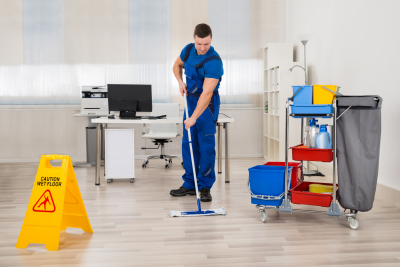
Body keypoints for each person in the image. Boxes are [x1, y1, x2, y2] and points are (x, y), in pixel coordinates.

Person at [170, 23, 223, 202]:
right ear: (194, 39)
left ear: (211, 40)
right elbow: (176, 66)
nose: (202, 48)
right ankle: (190, 184)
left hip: (206, 106)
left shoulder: (214, 61)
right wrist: (180, 82)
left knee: (205, 144)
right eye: (199, 44)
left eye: (206, 44)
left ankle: (205, 186)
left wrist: (193, 117)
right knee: (189, 143)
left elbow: (207, 93)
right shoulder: (187, 51)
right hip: (190, 101)